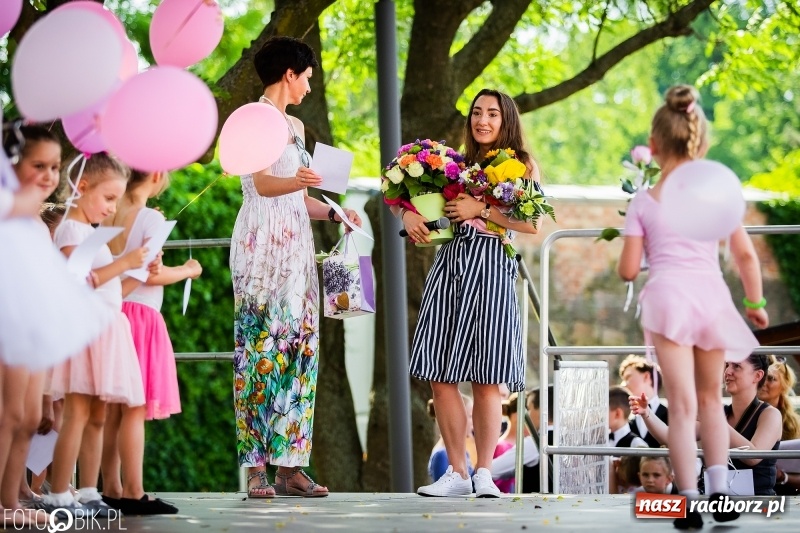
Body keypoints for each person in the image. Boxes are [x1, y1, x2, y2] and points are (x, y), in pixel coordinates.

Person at [618, 84, 770, 529]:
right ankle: (719, 492)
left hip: (668, 299)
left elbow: (628, 270)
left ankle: (686, 501)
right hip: (709, 297)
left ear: (655, 145)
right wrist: (755, 304)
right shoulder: (715, 196)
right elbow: (744, 255)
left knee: (681, 406)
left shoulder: (644, 201)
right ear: (699, 142)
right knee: (711, 400)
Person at [230, 36, 362, 499]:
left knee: (300, 348)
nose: (309, 84)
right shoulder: (252, 120)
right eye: (307, 75)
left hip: (296, 246)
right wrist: (298, 179)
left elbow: (298, 196)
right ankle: (256, 468)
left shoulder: (298, 127)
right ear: (290, 73)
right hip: (262, 242)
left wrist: (334, 212)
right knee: (259, 348)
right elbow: (263, 184)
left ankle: (291, 464)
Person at [404, 89, 541, 498]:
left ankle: (484, 472)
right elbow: (415, 202)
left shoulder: (520, 166)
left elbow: (532, 224)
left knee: (486, 377)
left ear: (506, 120)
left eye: (492, 114)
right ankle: (457, 472)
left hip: (491, 267)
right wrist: (409, 213)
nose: (483, 120)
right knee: (438, 373)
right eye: (477, 112)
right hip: (450, 266)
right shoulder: (454, 165)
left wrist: (479, 210)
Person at [40, 153, 149, 517]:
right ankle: (59, 491)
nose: (112, 207)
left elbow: (109, 283)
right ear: (82, 187)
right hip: (87, 330)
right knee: (77, 412)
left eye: (116, 199)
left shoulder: (89, 232)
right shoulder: (71, 228)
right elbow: (81, 279)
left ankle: (89, 490)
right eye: (108, 198)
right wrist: (125, 261)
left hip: (106, 327)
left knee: (98, 415)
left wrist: (139, 268)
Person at [100, 168, 201, 515]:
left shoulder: (106, 214)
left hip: (112, 313)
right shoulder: (151, 220)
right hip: (141, 316)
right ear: (156, 174)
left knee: (113, 409)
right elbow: (152, 273)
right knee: (134, 408)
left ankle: (110, 488)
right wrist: (189, 270)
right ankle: (134, 490)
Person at [0, 126, 63, 526]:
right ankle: (4, 502)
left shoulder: (38, 221)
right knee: (9, 414)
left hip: (34, 325)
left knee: (26, 416)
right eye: (38, 165)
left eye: (55, 167)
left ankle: (12, 498)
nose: (49, 175)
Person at [631, 353, 782, 496]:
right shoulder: (717, 413)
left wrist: (714, 420)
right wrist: (647, 413)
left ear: (757, 375)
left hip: (756, 500)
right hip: (712, 497)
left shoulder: (770, 415)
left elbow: (753, 457)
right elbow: (670, 437)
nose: (727, 371)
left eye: (736, 366)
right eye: (727, 365)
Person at [491, 386, 554, 493]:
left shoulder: (535, 443)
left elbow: (491, 470)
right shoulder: (569, 441)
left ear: (542, 410)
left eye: (529, 409)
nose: (527, 415)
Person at [618, 354, 668, 447]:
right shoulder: (627, 421)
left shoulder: (672, 414)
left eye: (628, 377)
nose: (623, 385)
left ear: (646, 377)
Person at [427, 395, 476, 482]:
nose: (473, 421)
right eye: (470, 416)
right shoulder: (441, 455)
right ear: (456, 418)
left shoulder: (464, 453)